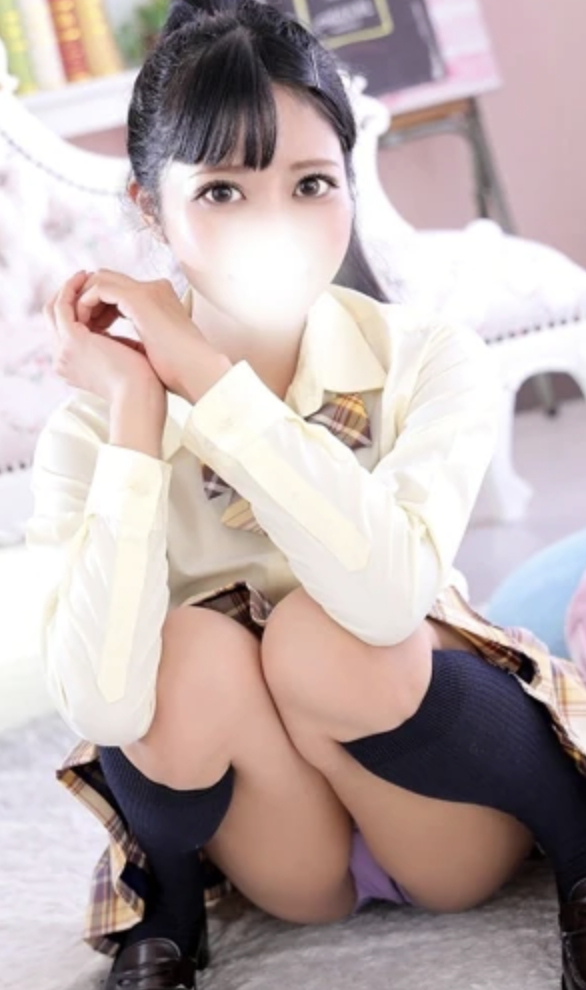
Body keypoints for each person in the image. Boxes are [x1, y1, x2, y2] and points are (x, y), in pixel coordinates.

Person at [25, 1, 586, 988]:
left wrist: (210, 379)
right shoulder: (93, 427)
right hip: (286, 856)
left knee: (327, 632)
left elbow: (385, 601)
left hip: (445, 814)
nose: (274, 223)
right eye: (222, 191)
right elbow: (103, 701)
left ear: (350, 183)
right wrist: (138, 414)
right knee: (181, 650)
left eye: (311, 183)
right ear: (149, 208)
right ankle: (168, 915)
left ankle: (581, 853)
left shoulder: (425, 358)